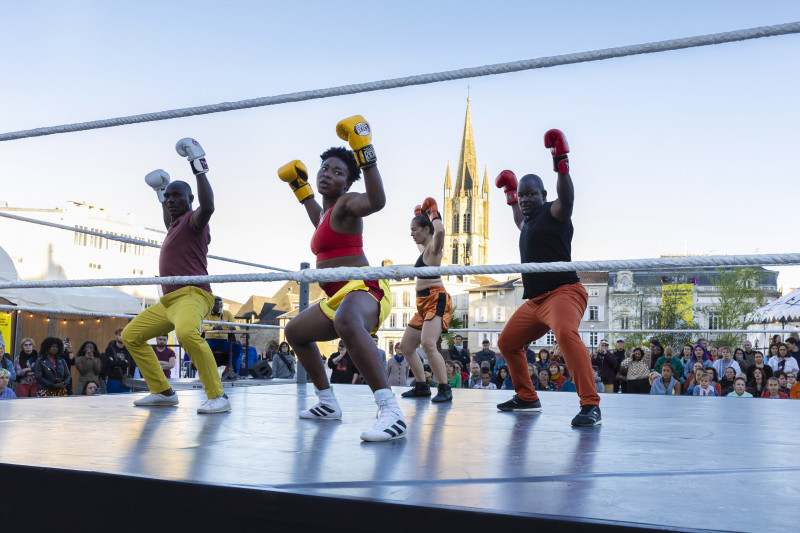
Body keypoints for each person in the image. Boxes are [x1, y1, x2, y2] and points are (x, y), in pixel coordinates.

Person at [279, 117, 403, 441]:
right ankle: (326, 402)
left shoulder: (347, 205)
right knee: (294, 331)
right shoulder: (323, 215)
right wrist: (299, 186)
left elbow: (377, 202)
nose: (327, 174)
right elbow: (312, 209)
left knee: (347, 320)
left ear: (347, 185)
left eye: (337, 172)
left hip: (364, 288)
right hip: (337, 298)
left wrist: (365, 152)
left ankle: (391, 412)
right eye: (324, 168)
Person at [494, 130, 601, 426]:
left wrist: (561, 162)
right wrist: (510, 192)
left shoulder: (556, 213)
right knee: (507, 343)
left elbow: (567, 198)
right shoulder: (526, 222)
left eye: (532, 194)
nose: (526, 199)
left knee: (566, 335)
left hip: (564, 292)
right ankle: (527, 398)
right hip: (536, 302)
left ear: (543, 195)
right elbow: (518, 216)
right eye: (523, 194)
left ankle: (591, 405)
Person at [122, 138, 230, 414]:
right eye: (167, 196)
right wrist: (161, 192)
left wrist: (199, 166)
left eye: (176, 196)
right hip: (169, 302)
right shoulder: (175, 226)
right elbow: (168, 219)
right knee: (131, 335)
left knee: (185, 333)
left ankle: (218, 396)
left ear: (190, 199)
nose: (170, 200)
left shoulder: (194, 221)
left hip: (194, 294)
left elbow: (208, 207)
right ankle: (163, 391)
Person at [399, 197, 454, 403]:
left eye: (414, 229)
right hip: (422, 304)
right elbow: (429, 234)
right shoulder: (424, 250)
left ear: (426, 230)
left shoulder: (433, 249)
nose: (412, 234)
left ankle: (444, 388)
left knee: (429, 344)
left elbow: (439, 231)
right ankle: (422, 386)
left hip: (435, 299)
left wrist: (434, 211)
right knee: (406, 346)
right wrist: (418, 215)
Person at [202, 296, 240, 375]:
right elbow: (204, 327)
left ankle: (228, 369)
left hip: (223, 342)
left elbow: (237, 326)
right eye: (214, 304)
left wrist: (234, 328)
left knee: (238, 348)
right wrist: (214, 328)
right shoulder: (206, 313)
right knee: (205, 350)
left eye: (219, 304)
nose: (217, 306)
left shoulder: (227, 313)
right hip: (210, 340)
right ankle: (208, 371)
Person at [102, 328, 134, 394]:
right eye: (120, 335)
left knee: (125, 401)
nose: (122, 337)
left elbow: (132, 364)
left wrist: (116, 363)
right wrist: (124, 362)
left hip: (125, 380)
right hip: (112, 380)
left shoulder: (129, 349)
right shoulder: (110, 349)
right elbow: (109, 363)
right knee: (111, 400)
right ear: (116, 336)